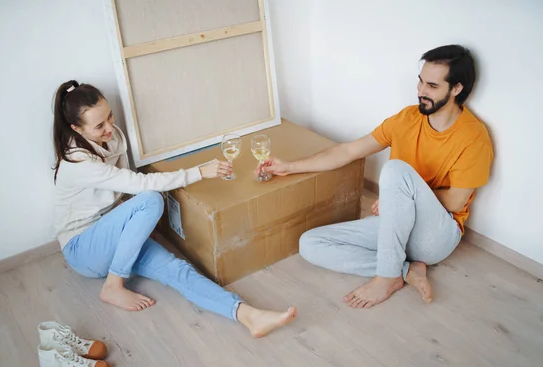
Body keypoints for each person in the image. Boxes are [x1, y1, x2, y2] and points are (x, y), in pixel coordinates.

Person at [52, 80, 296, 337]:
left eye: (110, 117)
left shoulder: (113, 139)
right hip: (83, 249)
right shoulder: (77, 161)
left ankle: (248, 316)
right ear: (76, 129)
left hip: (115, 234)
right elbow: (139, 185)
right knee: (151, 199)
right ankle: (114, 284)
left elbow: (120, 191)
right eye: (99, 126)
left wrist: (138, 227)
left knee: (177, 269)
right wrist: (200, 171)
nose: (110, 128)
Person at [260, 45, 493, 309]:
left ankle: (387, 276)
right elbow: (349, 150)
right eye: (420, 81)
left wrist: (400, 197)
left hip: (436, 236)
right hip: (397, 224)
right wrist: (289, 167)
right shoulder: (407, 118)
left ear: (456, 89)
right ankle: (406, 271)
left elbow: (455, 202)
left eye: (431, 85)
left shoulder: (473, 137)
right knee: (310, 244)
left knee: (395, 170)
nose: (420, 91)